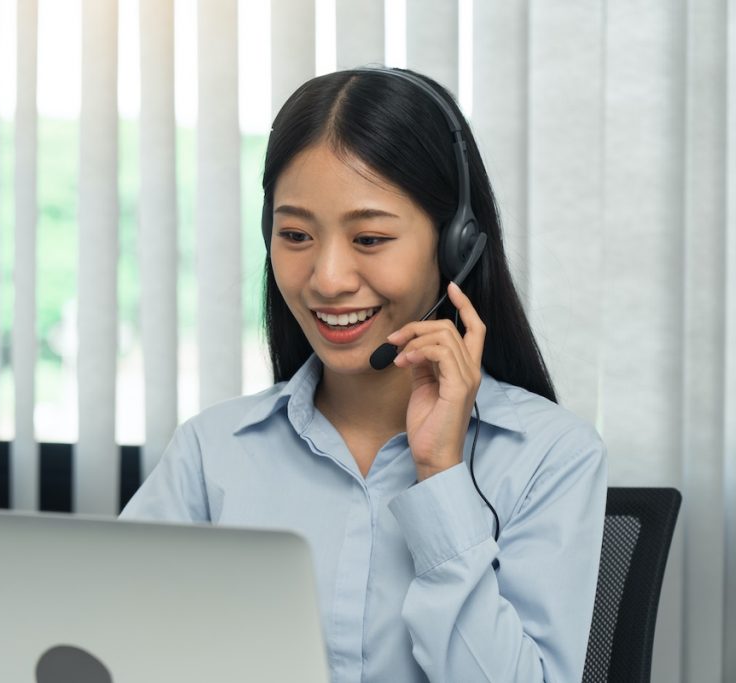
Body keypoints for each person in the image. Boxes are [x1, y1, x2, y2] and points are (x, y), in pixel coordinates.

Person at [120, 67, 607, 683]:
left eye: (370, 238)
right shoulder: (211, 453)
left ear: (457, 245)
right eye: (295, 234)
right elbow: (117, 646)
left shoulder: (551, 457)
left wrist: (441, 476)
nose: (327, 278)